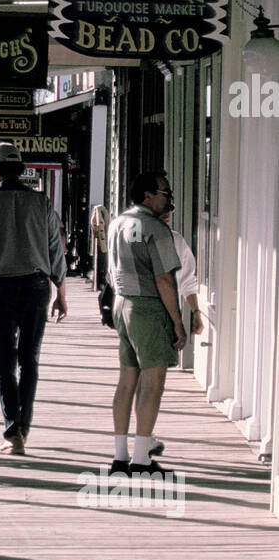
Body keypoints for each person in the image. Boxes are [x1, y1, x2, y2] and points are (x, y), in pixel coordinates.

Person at [0, 141, 67, 454]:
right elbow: (55, 249)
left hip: (0, 287)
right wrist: (60, 293)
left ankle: (13, 430)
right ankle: (23, 428)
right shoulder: (41, 202)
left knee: (4, 361)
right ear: (20, 169)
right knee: (29, 359)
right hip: (37, 286)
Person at [107, 173, 186, 478]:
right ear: (148, 195)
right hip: (149, 307)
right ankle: (141, 459)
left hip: (122, 303)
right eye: (166, 193)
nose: (169, 200)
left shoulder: (117, 223)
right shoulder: (155, 228)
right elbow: (164, 279)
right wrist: (178, 323)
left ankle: (119, 455)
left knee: (127, 381)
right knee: (152, 385)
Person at [146, 196, 205, 458]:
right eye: (164, 208)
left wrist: (195, 312)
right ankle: (143, 437)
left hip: (146, 315)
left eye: (171, 207)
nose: (169, 212)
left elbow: (188, 281)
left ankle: (139, 435)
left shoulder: (176, 241)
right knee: (150, 378)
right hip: (152, 315)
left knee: (143, 377)